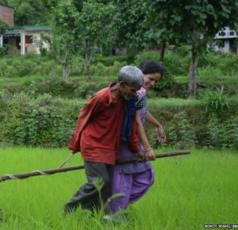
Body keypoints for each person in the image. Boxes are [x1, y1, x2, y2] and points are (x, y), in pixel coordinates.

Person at [64, 66, 144, 215]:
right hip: (93, 144)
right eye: (132, 90)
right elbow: (84, 117)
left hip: (110, 148)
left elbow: (131, 126)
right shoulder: (101, 97)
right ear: (122, 85)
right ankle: (70, 208)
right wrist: (76, 144)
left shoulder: (129, 101)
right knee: (98, 182)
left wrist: (137, 150)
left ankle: (91, 216)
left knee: (107, 188)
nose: (135, 94)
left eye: (137, 90)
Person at [109, 60, 165, 215]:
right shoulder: (136, 92)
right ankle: (115, 210)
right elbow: (137, 122)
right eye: (151, 78)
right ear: (141, 74)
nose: (153, 83)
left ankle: (117, 206)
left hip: (134, 141)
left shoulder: (140, 93)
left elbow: (143, 113)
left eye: (156, 81)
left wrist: (158, 125)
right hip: (126, 141)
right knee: (124, 178)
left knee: (146, 176)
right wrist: (148, 148)